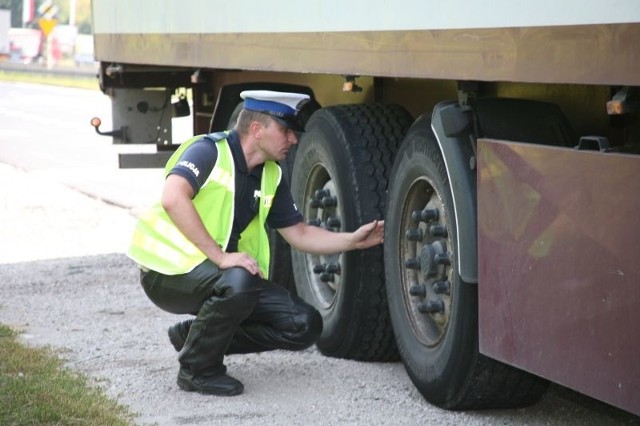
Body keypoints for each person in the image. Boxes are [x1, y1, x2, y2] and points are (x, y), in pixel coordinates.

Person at [127, 90, 384, 396]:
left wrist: (352, 241)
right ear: (257, 129)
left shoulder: (271, 175)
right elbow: (173, 198)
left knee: (304, 324)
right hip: (166, 272)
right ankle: (197, 369)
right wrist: (221, 257)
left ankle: (196, 336)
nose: (294, 140)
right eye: (286, 131)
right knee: (239, 280)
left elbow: (299, 233)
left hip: (218, 275)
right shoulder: (208, 151)